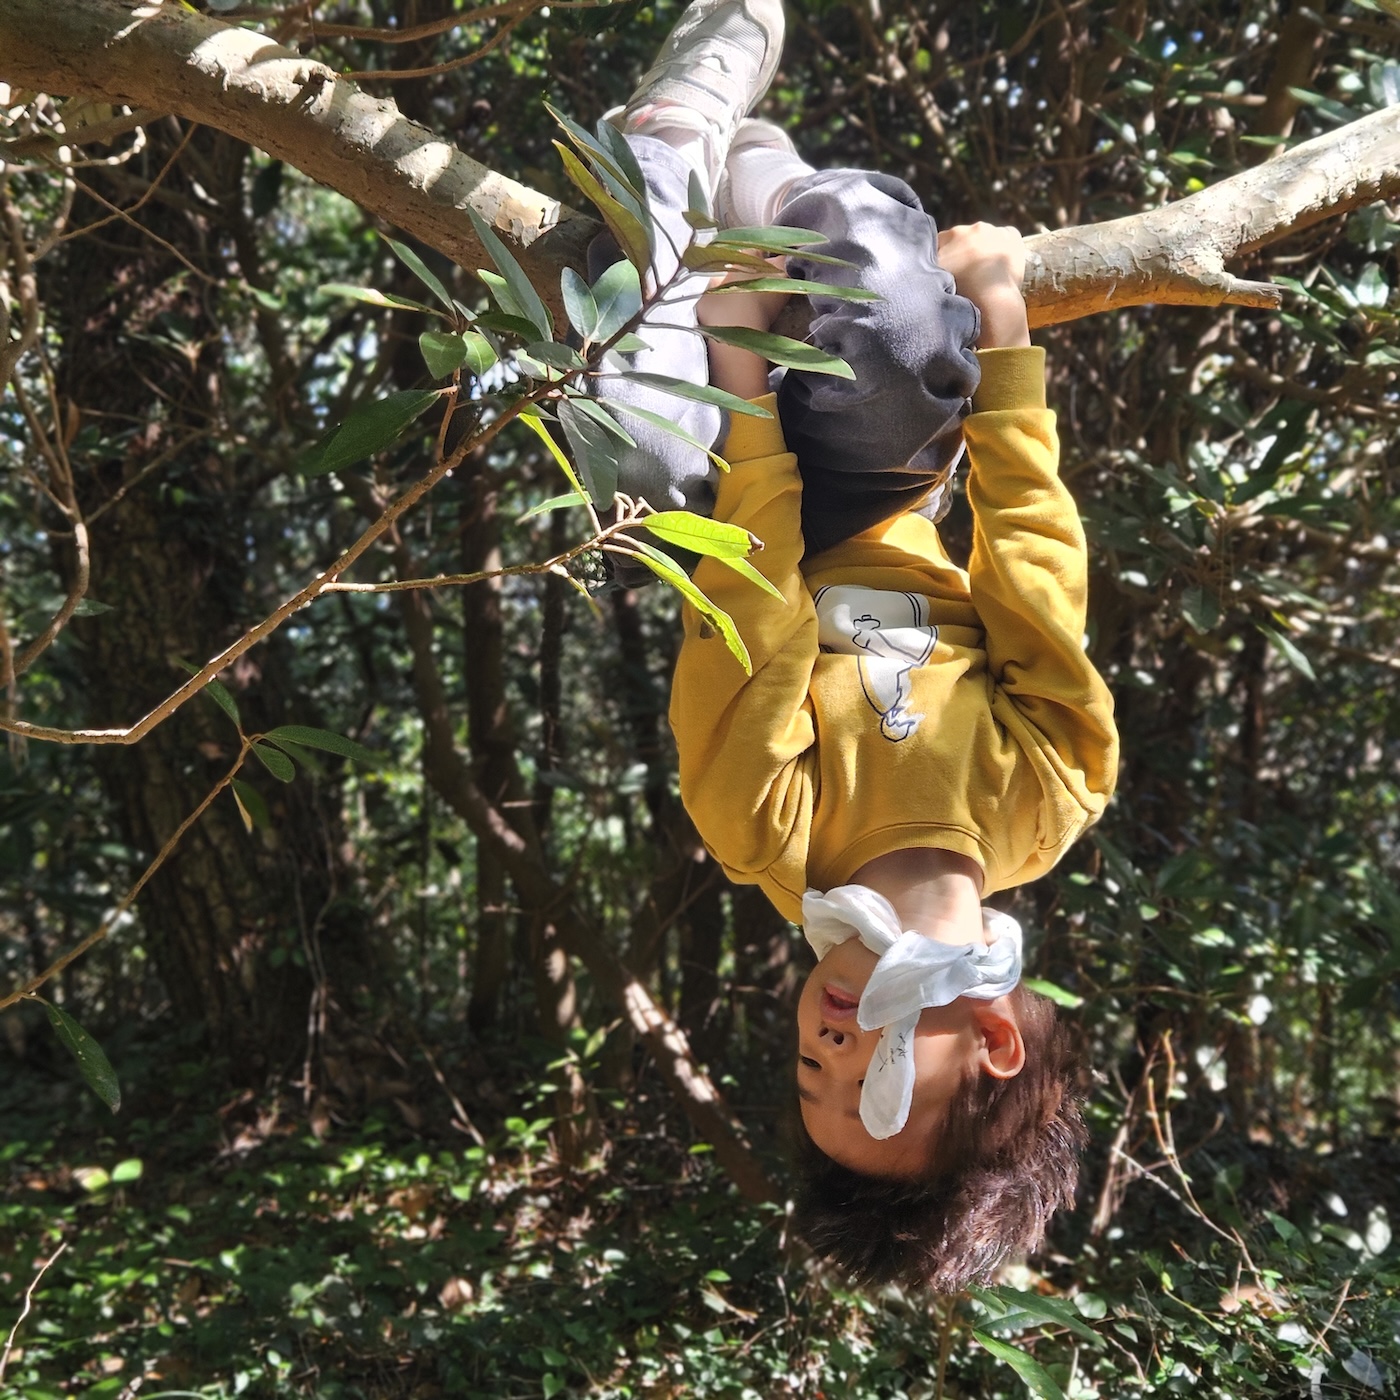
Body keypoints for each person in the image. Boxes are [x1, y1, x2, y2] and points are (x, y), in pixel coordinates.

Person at [579, 0, 1119, 1291]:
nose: (821, 1045)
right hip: (885, 490)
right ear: (991, 1039)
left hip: (743, 491)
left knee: (623, 437)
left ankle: (675, 157)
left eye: (804, 1074)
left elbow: (752, 612)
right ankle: (741, 170)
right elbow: (1035, 579)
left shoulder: (763, 835)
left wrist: (746, 376)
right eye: (864, 1079)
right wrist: (1004, 339)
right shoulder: (1051, 795)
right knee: (890, 321)